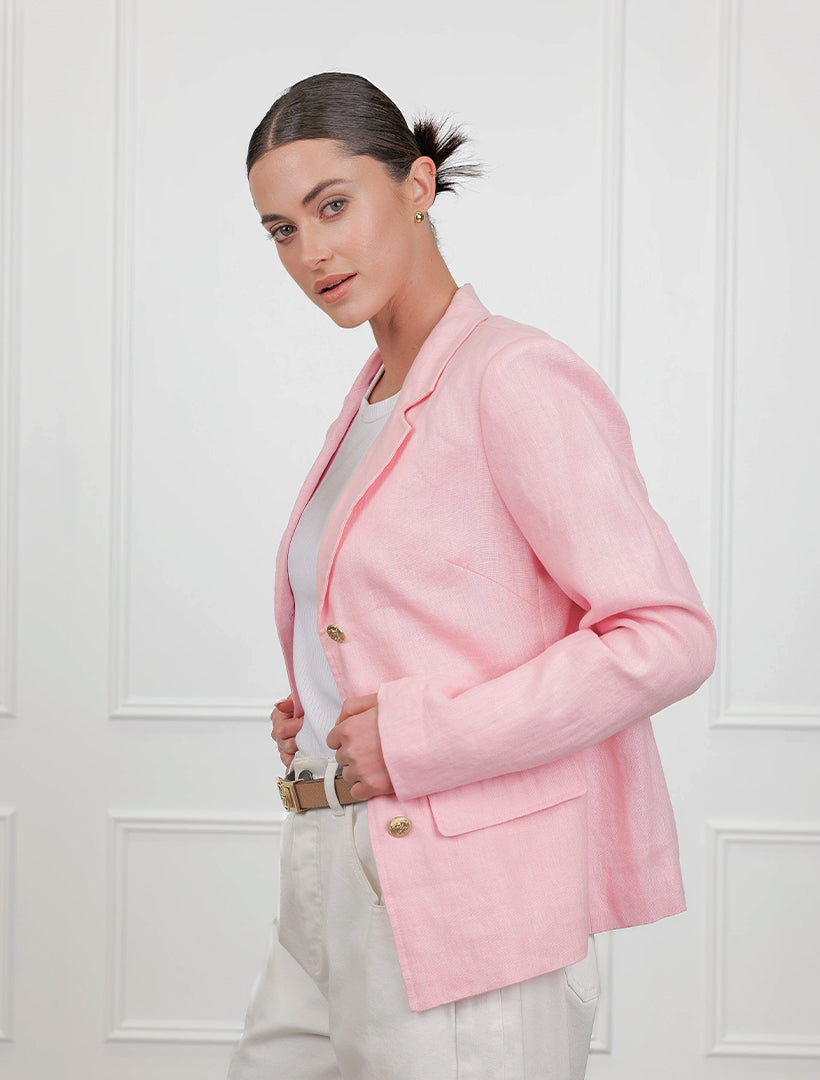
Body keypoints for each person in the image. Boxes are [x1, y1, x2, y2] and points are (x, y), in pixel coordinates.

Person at [228, 72, 716, 1080]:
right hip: (325, 867)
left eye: (332, 206)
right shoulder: (369, 398)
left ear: (416, 184)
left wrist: (417, 737)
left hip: (465, 896)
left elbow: (666, 634)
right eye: (281, 229)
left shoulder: (512, 375)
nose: (311, 252)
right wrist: (320, 709)